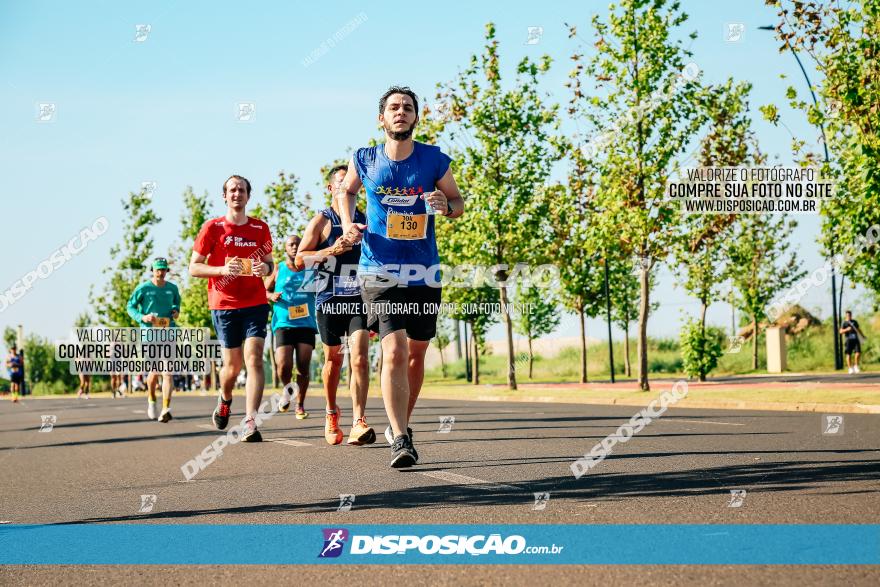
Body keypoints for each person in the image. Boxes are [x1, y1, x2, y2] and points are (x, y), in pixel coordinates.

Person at [337, 86, 465, 467]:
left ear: (416, 118)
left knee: (417, 352)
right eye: (393, 107)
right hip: (378, 268)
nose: (401, 112)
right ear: (382, 118)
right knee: (394, 349)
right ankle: (402, 440)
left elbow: (458, 202)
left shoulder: (434, 159)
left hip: (423, 268)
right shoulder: (364, 158)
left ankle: (399, 425)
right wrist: (347, 223)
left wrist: (447, 206)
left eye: (408, 108)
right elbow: (346, 193)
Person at [295, 164, 376, 446]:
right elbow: (299, 260)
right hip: (328, 299)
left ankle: (358, 420)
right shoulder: (322, 220)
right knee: (334, 359)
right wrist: (332, 250)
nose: (346, 188)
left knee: (360, 357)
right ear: (330, 189)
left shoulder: (366, 219)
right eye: (340, 183)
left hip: (359, 299)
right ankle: (331, 412)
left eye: (351, 183)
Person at [189, 174, 273, 442]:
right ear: (224, 196)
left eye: (242, 190)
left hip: (255, 302)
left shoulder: (260, 229)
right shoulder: (212, 228)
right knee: (232, 367)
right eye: (232, 190)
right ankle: (225, 398)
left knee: (255, 358)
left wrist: (265, 268)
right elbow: (194, 267)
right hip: (224, 304)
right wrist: (222, 269)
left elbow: (271, 263)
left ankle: (250, 421)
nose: (237, 194)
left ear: (249, 196)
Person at [265, 235, 317, 421]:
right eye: (291, 244)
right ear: (286, 248)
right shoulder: (278, 268)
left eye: (297, 244)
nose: (295, 247)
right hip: (283, 323)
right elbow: (264, 290)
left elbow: (321, 288)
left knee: (303, 367)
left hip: (306, 323)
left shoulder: (310, 267)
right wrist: (270, 296)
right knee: (283, 364)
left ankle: (300, 404)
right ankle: (287, 390)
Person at [126, 257, 181, 422]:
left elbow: (176, 304)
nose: (161, 272)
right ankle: (151, 399)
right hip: (149, 336)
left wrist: (175, 311)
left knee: (168, 372)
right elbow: (130, 306)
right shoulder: (143, 288)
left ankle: (166, 408)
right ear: (152, 270)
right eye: (158, 269)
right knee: (154, 373)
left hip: (168, 333)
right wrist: (143, 317)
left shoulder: (172, 288)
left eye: (163, 269)